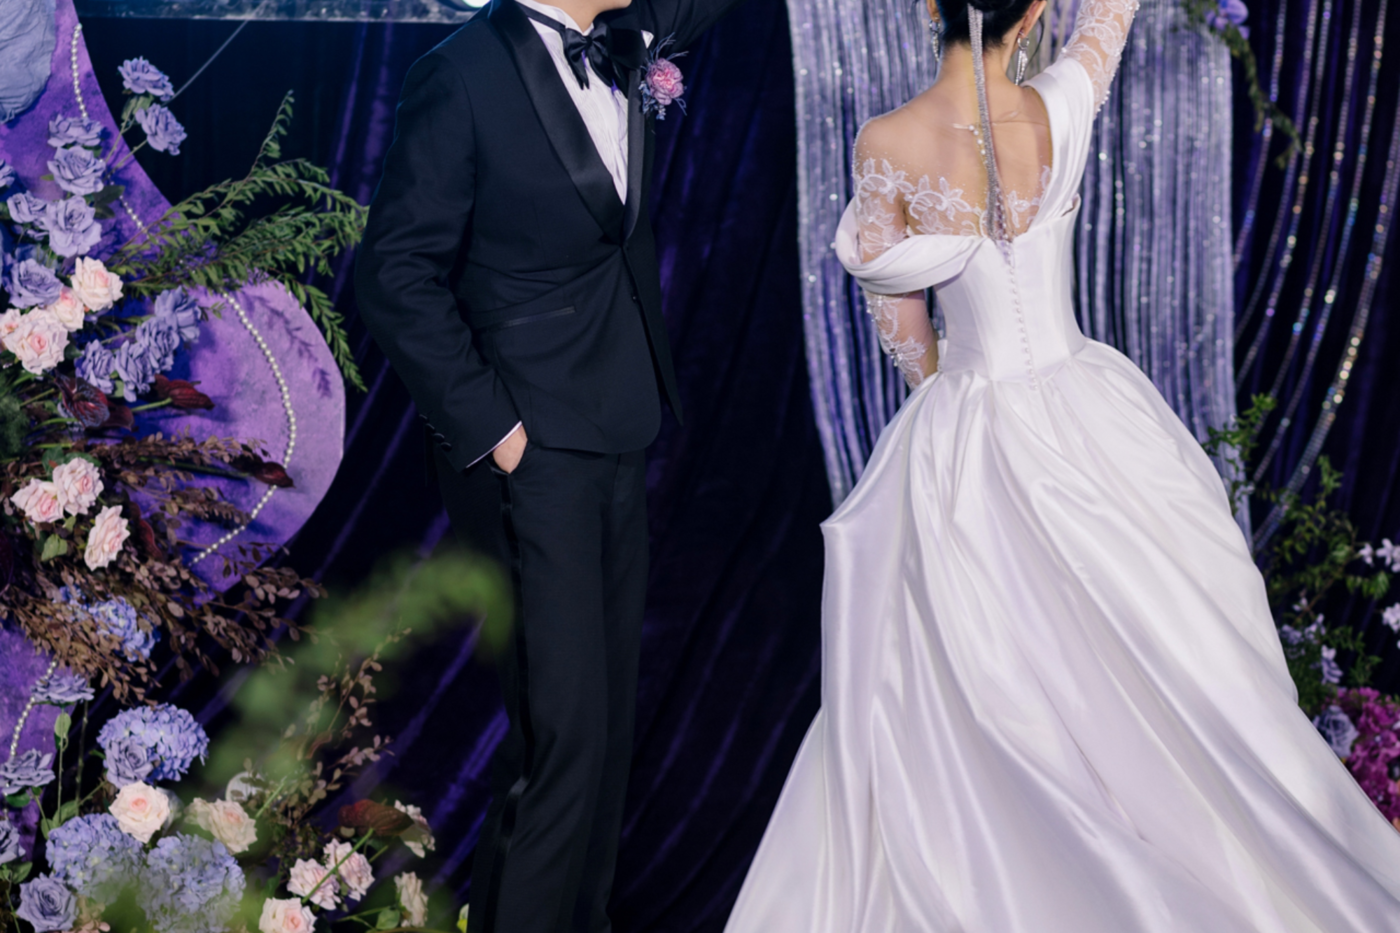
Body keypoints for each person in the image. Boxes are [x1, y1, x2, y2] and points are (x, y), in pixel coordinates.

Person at [722, 0, 1400, 928]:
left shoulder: (888, 140)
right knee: (1155, 656)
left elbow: (901, 320)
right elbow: (1110, 17)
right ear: (1034, 7)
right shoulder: (1060, 105)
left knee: (977, 679)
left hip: (966, 427)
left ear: (930, 6)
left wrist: (951, 396)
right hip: (1094, 411)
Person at [353, 0, 742, 928]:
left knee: (601, 738)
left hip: (618, 425)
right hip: (530, 453)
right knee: (562, 740)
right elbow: (394, 272)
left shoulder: (628, 35)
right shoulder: (459, 75)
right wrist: (497, 428)